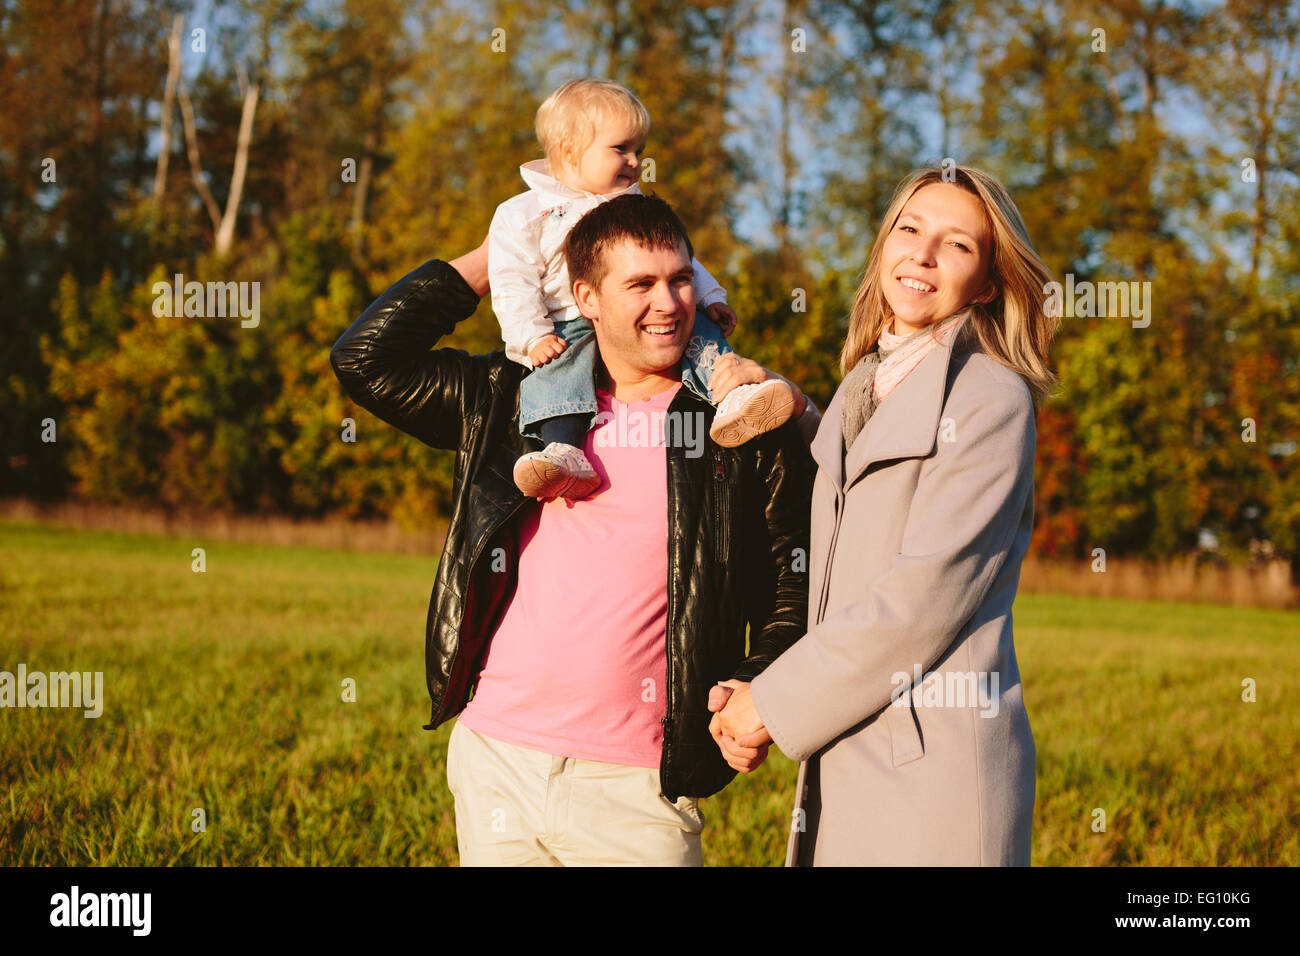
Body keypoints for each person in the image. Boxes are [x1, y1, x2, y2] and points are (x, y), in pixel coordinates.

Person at [330, 193, 815, 866]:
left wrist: (757, 680)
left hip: (639, 786)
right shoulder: (513, 401)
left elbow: (795, 584)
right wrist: (505, 255)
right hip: (496, 759)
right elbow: (366, 360)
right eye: (640, 284)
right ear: (584, 294)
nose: (670, 302)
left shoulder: (740, 425)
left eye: (680, 278)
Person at [709, 164, 1060, 866]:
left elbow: (922, 597)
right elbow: (857, 497)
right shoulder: (868, 377)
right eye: (910, 228)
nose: (924, 254)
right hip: (859, 746)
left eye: (958, 245)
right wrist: (794, 406)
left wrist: (769, 703)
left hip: (935, 775)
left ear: (988, 283)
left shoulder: (990, 396)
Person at [489, 78, 796, 500]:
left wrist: (710, 297)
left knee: (700, 330)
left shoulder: (629, 204)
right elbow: (512, 279)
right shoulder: (525, 213)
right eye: (621, 149)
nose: (635, 162)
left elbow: (675, 259)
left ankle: (734, 399)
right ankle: (564, 449)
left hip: (626, 320)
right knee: (558, 374)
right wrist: (532, 336)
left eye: (639, 151)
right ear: (569, 148)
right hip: (563, 322)